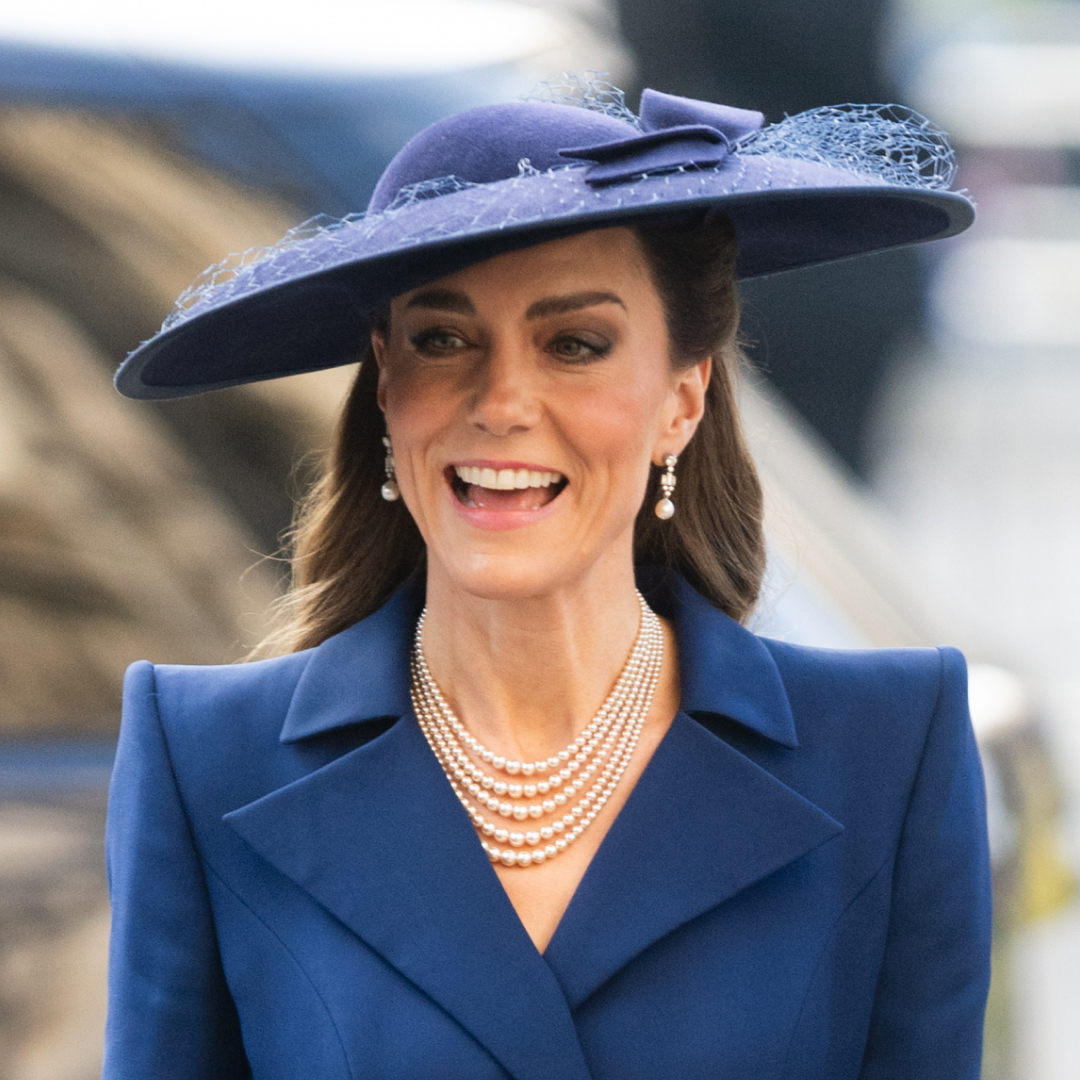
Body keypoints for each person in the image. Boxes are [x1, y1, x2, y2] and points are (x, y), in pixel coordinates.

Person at [104, 82, 991, 1080]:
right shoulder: (206, 757)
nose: (503, 402)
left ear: (682, 401)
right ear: (387, 386)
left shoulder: (888, 746)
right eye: (444, 340)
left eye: (574, 344)